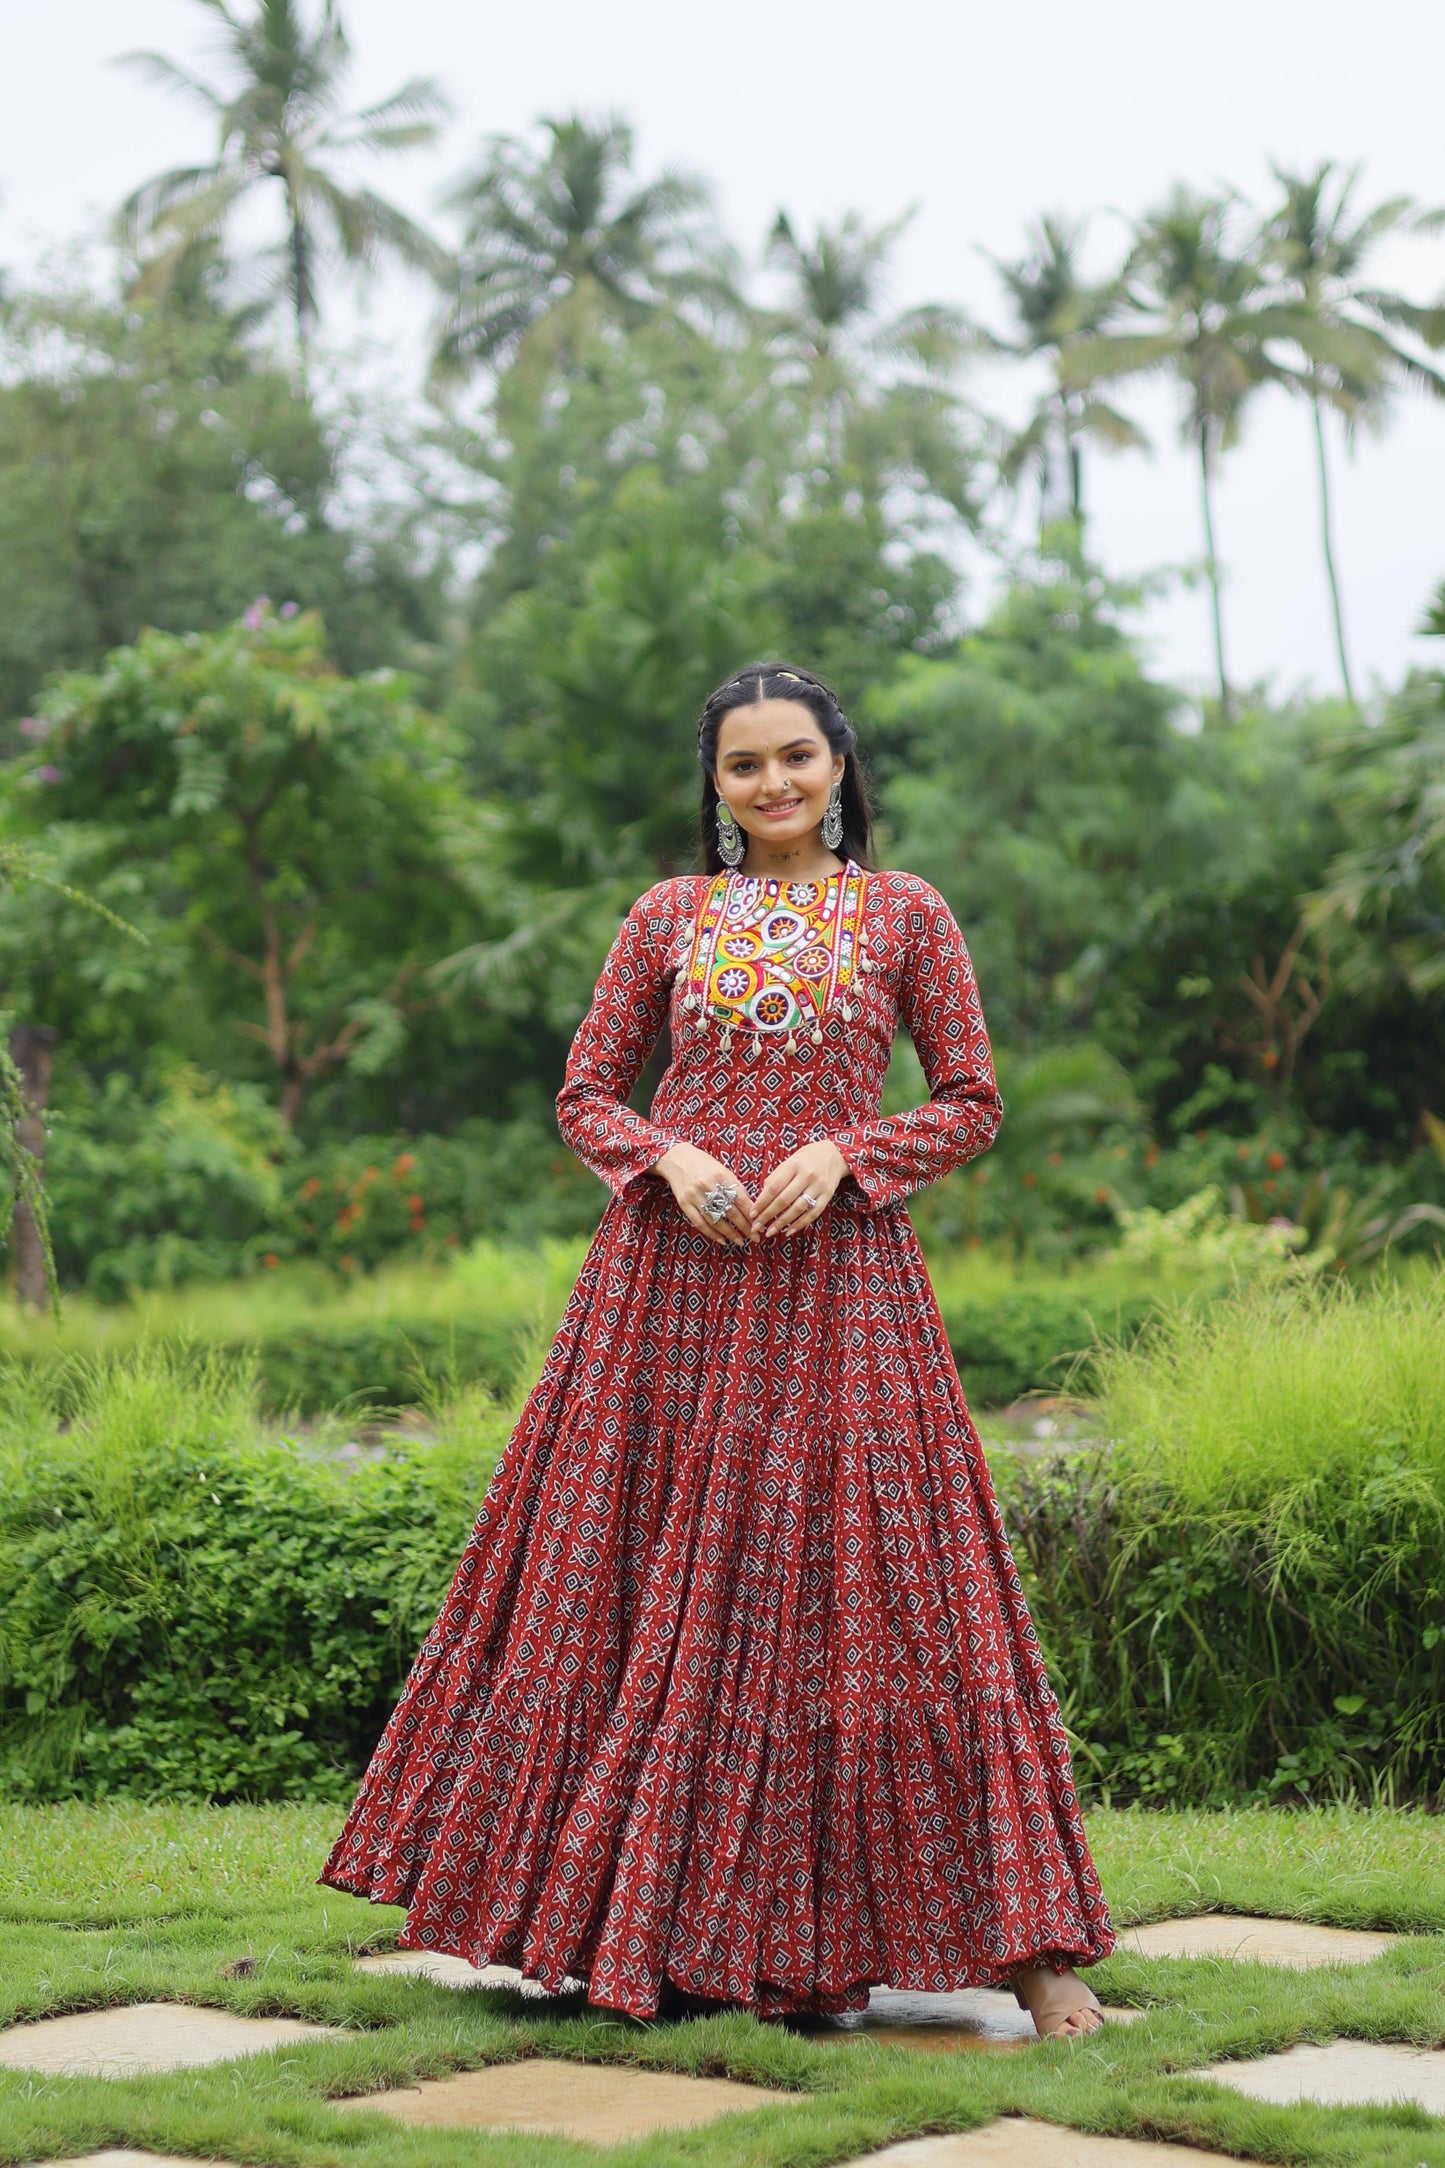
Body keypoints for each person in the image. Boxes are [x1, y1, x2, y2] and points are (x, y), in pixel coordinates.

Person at [321, 662, 1114, 2038]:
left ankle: (1022, 1952)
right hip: (665, 1295)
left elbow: (972, 1098)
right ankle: (652, 1936)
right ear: (714, 784)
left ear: (840, 767)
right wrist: (667, 1154)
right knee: (639, 1590)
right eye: (743, 766)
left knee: (881, 1588)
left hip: (843, 1287)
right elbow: (583, 1091)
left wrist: (850, 1151)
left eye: (796, 758)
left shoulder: (904, 914)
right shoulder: (667, 916)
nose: (773, 786)